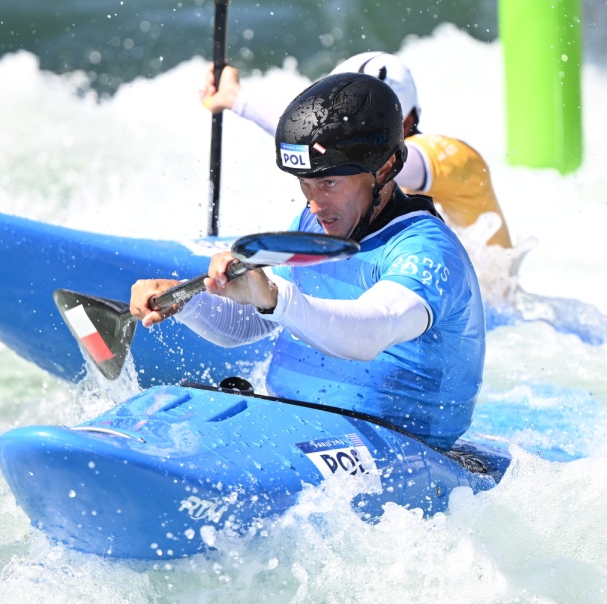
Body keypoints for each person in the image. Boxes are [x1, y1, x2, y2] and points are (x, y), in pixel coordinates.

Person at [131, 73, 485, 449]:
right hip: (298, 426)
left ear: (384, 169)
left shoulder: (426, 249)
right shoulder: (313, 224)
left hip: (403, 450)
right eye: (305, 183)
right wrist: (186, 302)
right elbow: (252, 324)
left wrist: (273, 295)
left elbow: (372, 332)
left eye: (330, 183)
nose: (315, 205)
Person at [200, 52, 513, 249]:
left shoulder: (450, 157)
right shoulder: (364, 172)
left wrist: (240, 100)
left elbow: (329, 148)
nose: (348, 135)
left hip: (490, 303)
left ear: (404, 122)